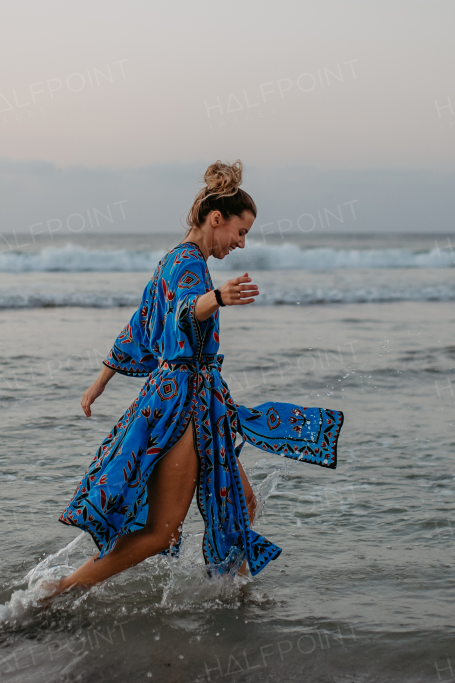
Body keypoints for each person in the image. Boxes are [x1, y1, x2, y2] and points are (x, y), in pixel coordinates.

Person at [46, 160, 344, 598]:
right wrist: (217, 297)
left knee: (242, 503)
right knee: (160, 533)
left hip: (194, 402)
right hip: (181, 406)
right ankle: (59, 590)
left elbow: (140, 323)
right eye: (239, 233)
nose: (241, 244)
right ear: (215, 219)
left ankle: (236, 595)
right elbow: (184, 310)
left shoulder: (175, 259)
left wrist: (101, 380)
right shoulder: (189, 266)